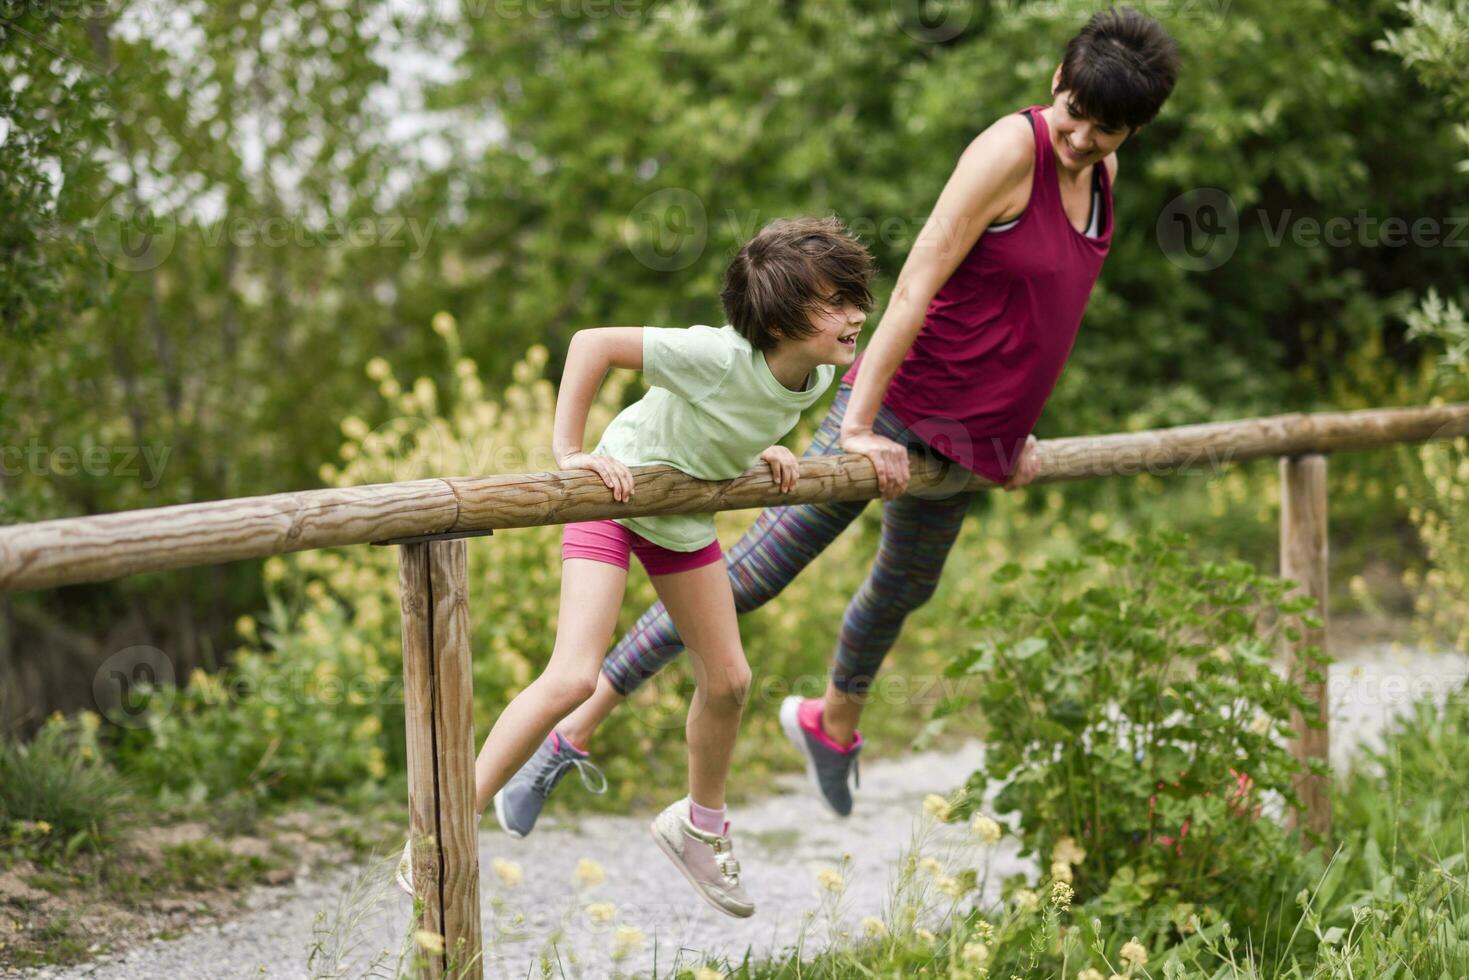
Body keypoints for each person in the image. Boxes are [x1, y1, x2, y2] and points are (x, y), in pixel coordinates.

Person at [494, 5, 1180, 829]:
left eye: (1106, 132)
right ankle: (569, 732)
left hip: (974, 434)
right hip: (897, 408)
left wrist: (1014, 426)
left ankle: (829, 722)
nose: (1081, 141)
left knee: (904, 586)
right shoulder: (1010, 151)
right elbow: (921, 279)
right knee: (753, 576)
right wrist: (857, 422)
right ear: (1055, 85)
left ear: (1130, 132)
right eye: (1075, 116)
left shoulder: (1102, 178)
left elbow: (1047, 308)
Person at [397, 216, 875, 918]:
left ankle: (697, 826)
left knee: (730, 680)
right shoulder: (713, 354)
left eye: (853, 297)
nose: (854, 315)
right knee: (572, 677)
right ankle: (436, 833)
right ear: (775, 320)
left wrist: (761, 455)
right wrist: (571, 453)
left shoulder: (815, 374)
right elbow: (592, 345)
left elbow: (721, 423)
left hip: (679, 516)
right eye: (833, 304)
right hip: (616, 501)